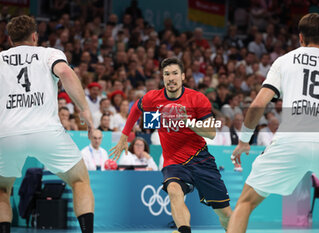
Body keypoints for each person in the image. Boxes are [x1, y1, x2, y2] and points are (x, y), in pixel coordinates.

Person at [228, 13, 319, 233]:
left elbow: (257, 105)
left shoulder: (284, 61)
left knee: (245, 203)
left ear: (300, 38)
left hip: (291, 141)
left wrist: (244, 140)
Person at [110, 57, 232, 233]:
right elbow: (136, 109)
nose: (171, 77)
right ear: (163, 77)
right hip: (173, 162)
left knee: (225, 214)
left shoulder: (197, 99)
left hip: (200, 159)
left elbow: (211, 132)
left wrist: (189, 122)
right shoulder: (153, 98)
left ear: (183, 77)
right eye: (167, 74)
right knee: (173, 190)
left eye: (175, 73)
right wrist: (123, 136)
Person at [0, 15, 94, 233]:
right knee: (80, 181)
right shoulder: (49, 53)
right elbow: (65, 72)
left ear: (10, 39)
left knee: (3, 189)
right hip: (47, 132)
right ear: (34, 36)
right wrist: (85, 110)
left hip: (7, 134)